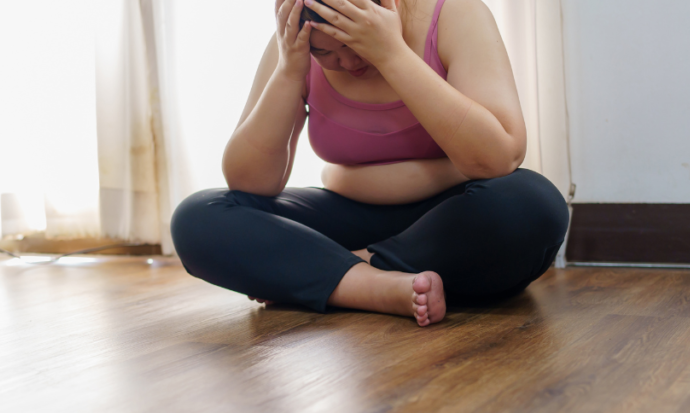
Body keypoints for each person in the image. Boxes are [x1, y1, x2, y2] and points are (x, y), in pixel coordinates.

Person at [171, 0, 568, 327]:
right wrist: (291, 71)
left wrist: (391, 53)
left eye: (354, 43)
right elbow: (247, 181)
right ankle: (379, 287)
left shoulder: (455, 15)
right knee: (199, 216)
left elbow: (499, 157)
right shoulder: (295, 47)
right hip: (349, 215)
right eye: (325, 52)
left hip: (450, 219)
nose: (347, 63)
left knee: (532, 204)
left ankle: (338, 271)